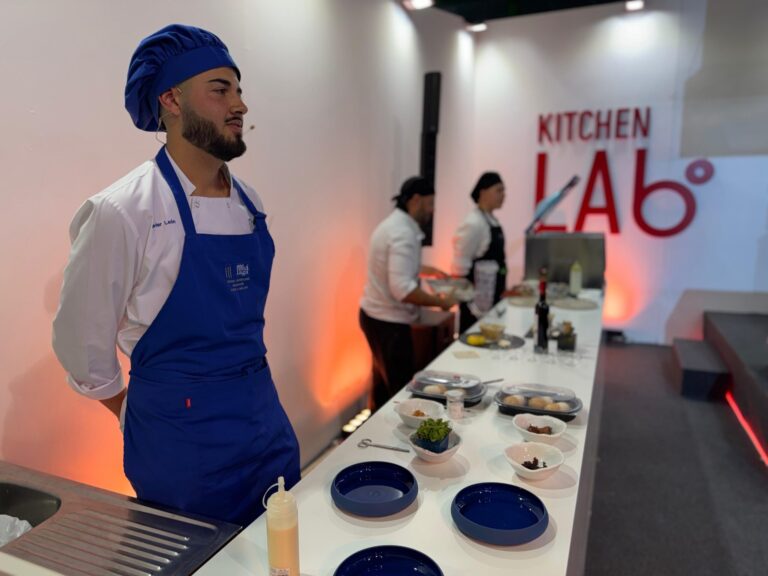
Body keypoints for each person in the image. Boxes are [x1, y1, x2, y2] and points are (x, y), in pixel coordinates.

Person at [52, 24, 300, 526]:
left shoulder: (250, 203)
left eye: (240, 90)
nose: (240, 105)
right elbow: (80, 340)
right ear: (170, 99)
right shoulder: (123, 210)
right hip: (181, 444)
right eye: (220, 89)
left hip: (263, 422)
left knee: (281, 545)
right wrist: (134, 411)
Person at [359, 177, 457, 411]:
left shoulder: (397, 225)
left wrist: (427, 271)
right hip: (388, 323)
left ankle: (376, 439)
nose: (432, 211)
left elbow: (396, 269)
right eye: (430, 203)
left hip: (378, 319)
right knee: (401, 397)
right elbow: (402, 289)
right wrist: (441, 303)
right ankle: (392, 443)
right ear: (415, 200)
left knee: (384, 392)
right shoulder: (402, 232)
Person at [451, 172, 507, 333]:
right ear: (483, 192)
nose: (503, 195)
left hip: (492, 300)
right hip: (476, 307)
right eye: (499, 190)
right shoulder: (473, 223)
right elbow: (460, 268)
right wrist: (470, 303)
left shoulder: (491, 220)